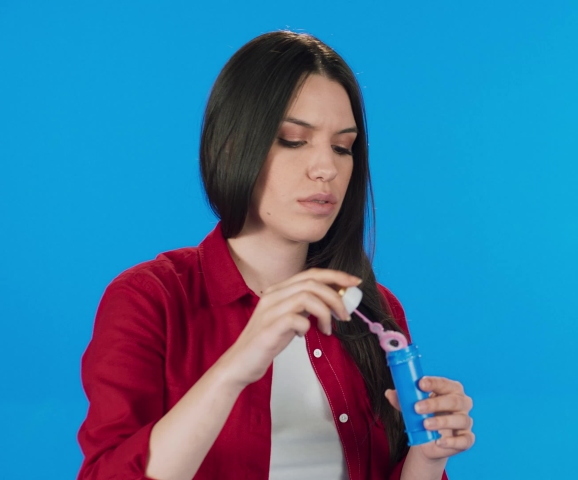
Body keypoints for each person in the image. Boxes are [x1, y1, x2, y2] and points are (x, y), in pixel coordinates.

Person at [76, 31, 475, 480]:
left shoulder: (373, 308)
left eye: (343, 147)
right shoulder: (149, 300)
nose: (326, 168)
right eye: (292, 140)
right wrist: (236, 366)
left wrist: (428, 456)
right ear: (231, 147)